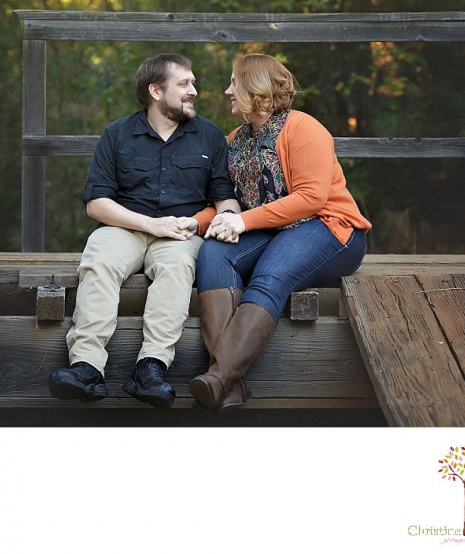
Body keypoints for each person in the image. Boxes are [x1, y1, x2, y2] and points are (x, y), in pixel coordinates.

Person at [48, 53, 240, 409]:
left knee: (178, 267)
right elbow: (97, 204)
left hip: (182, 233)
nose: (194, 91)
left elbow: (224, 199)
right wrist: (150, 224)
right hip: (127, 227)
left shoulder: (210, 136)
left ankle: (150, 369)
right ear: (155, 90)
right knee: (99, 257)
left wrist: (225, 219)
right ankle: (86, 368)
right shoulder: (118, 133)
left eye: (193, 83)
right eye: (184, 84)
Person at [188, 53, 372, 413]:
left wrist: (242, 222)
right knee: (212, 252)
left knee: (270, 272)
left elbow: (311, 198)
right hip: (273, 231)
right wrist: (196, 223)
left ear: (254, 89)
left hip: (331, 229)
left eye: (233, 83)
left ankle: (218, 375)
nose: (227, 91)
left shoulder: (304, 128)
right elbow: (227, 202)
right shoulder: (234, 141)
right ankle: (228, 382)